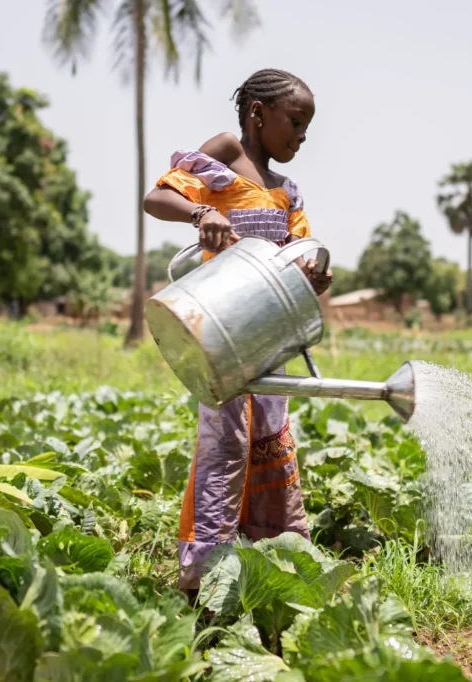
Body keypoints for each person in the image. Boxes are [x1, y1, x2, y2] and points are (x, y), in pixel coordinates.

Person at [142, 68, 333, 598]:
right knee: (227, 440)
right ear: (257, 113)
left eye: (306, 129)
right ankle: (205, 570)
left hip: (269, 335)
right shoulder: (225, 152)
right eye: (293, 123)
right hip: (221, 330)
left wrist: (313, 274)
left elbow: (300, 252)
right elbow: (156, 199)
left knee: (270, 439)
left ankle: (271, 550)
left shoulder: (286, 191)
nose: (299, 137)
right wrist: (202, 212)